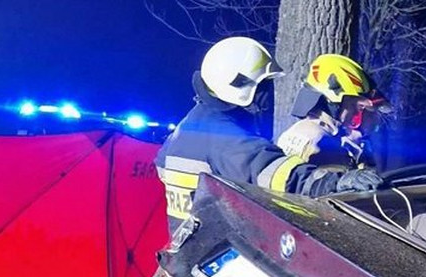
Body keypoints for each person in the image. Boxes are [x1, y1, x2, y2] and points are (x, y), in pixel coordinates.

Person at [156, 38, 383, 235]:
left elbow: (162, 167)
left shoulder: (188, 127)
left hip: (190, 243)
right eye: (264, 85)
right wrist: (337, 182)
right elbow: (279, 174)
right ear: (240, 87)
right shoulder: (224, 138)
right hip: (217, 249)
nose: (268, 94)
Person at [276, 54, 393, 168]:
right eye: (354, 105)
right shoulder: (315, 139)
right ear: (332, 101)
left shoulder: (324, 133)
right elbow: (325, 184)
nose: (355, 113)